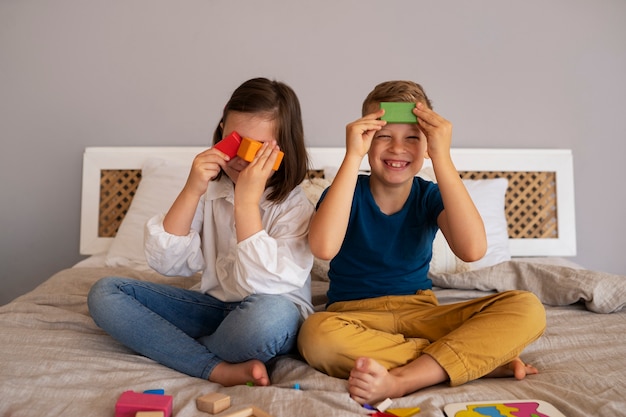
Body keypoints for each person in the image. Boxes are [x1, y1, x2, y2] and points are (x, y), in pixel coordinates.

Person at [297, 80, 546, 404]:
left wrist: (441, 157)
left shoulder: (429, 195)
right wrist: (351, 156)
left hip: (422, 314)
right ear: (367, 141)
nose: (398, 149)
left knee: (528, 308)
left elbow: (472, 251)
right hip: (353, 317)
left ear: (427, 145)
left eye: (413, 138)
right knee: (315, 335)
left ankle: (404, 378)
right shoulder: (345, 191)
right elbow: (323, 248)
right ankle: (467, 360)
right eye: (383, 136)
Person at [88, 77, 315, 387]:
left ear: (281, 149)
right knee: (105, 293)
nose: (239, 157)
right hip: (213, 308)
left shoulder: (293, 204)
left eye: (256, 149)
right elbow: (168, 263)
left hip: (268, 314)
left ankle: (180, 350)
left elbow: (264, 283)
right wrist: (192, 189)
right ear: (221, 129)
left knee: (269, 319)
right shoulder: (211, 190)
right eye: (234, 140)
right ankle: (216, 367)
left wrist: (246, 203)